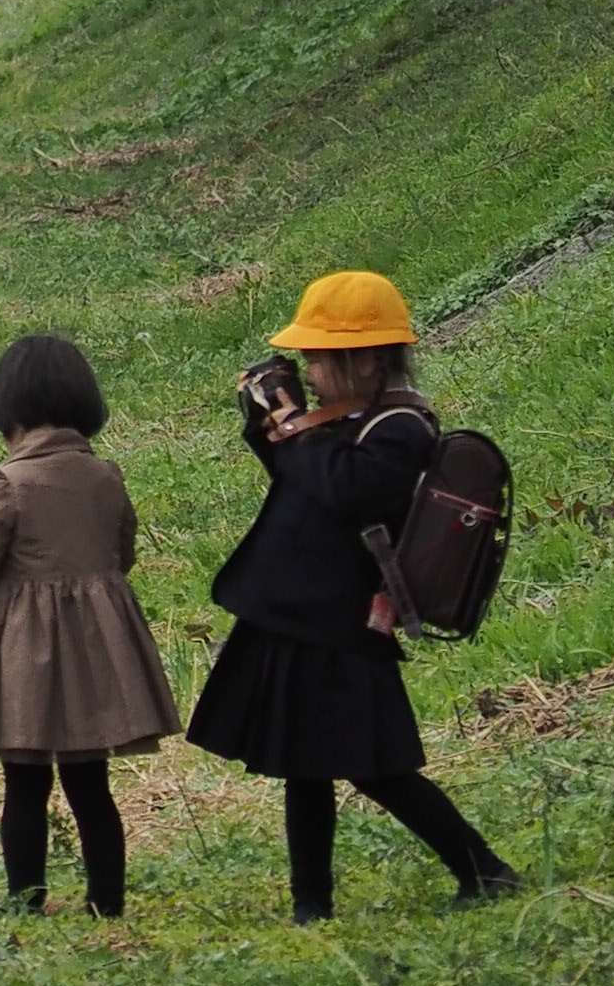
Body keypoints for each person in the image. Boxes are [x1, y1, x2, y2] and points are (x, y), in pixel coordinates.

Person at [186, 269, 521, 920]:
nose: (309, 371)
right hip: (299, 611)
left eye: (319, 358)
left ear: (367, 359)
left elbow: (345, 491)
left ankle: (484, 870)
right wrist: (269, 422)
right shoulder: (344, 421)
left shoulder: (401, 429)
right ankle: (311, 904)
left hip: (341, 621)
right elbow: (299, 473)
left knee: (376, 767)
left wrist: (295, 424)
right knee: (300, 763)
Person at [0, 334, 174, 918]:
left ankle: (25, 902)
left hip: (21, 654)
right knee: (91, 786)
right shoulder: (105, 476)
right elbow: (122, 556)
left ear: (6, 409)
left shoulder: (4, 484)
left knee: (25, 784)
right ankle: (106, 903)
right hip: (96, 647)